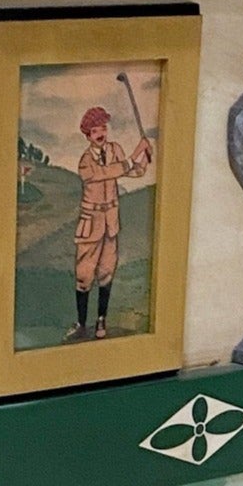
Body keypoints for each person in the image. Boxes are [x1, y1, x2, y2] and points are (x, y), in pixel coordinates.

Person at [67, 105, 153, 341]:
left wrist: (145, 158)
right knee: (84, 275)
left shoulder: (115, 149)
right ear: (88, 135)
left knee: (106, 272)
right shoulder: (85, 161)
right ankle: (81, 323)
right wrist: (134, 155)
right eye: (95, 130)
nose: (101, 134)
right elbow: (106, 173)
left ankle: (101, 319)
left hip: (111, 223)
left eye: (103, 128)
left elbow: (133, 172)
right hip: (91, 224)